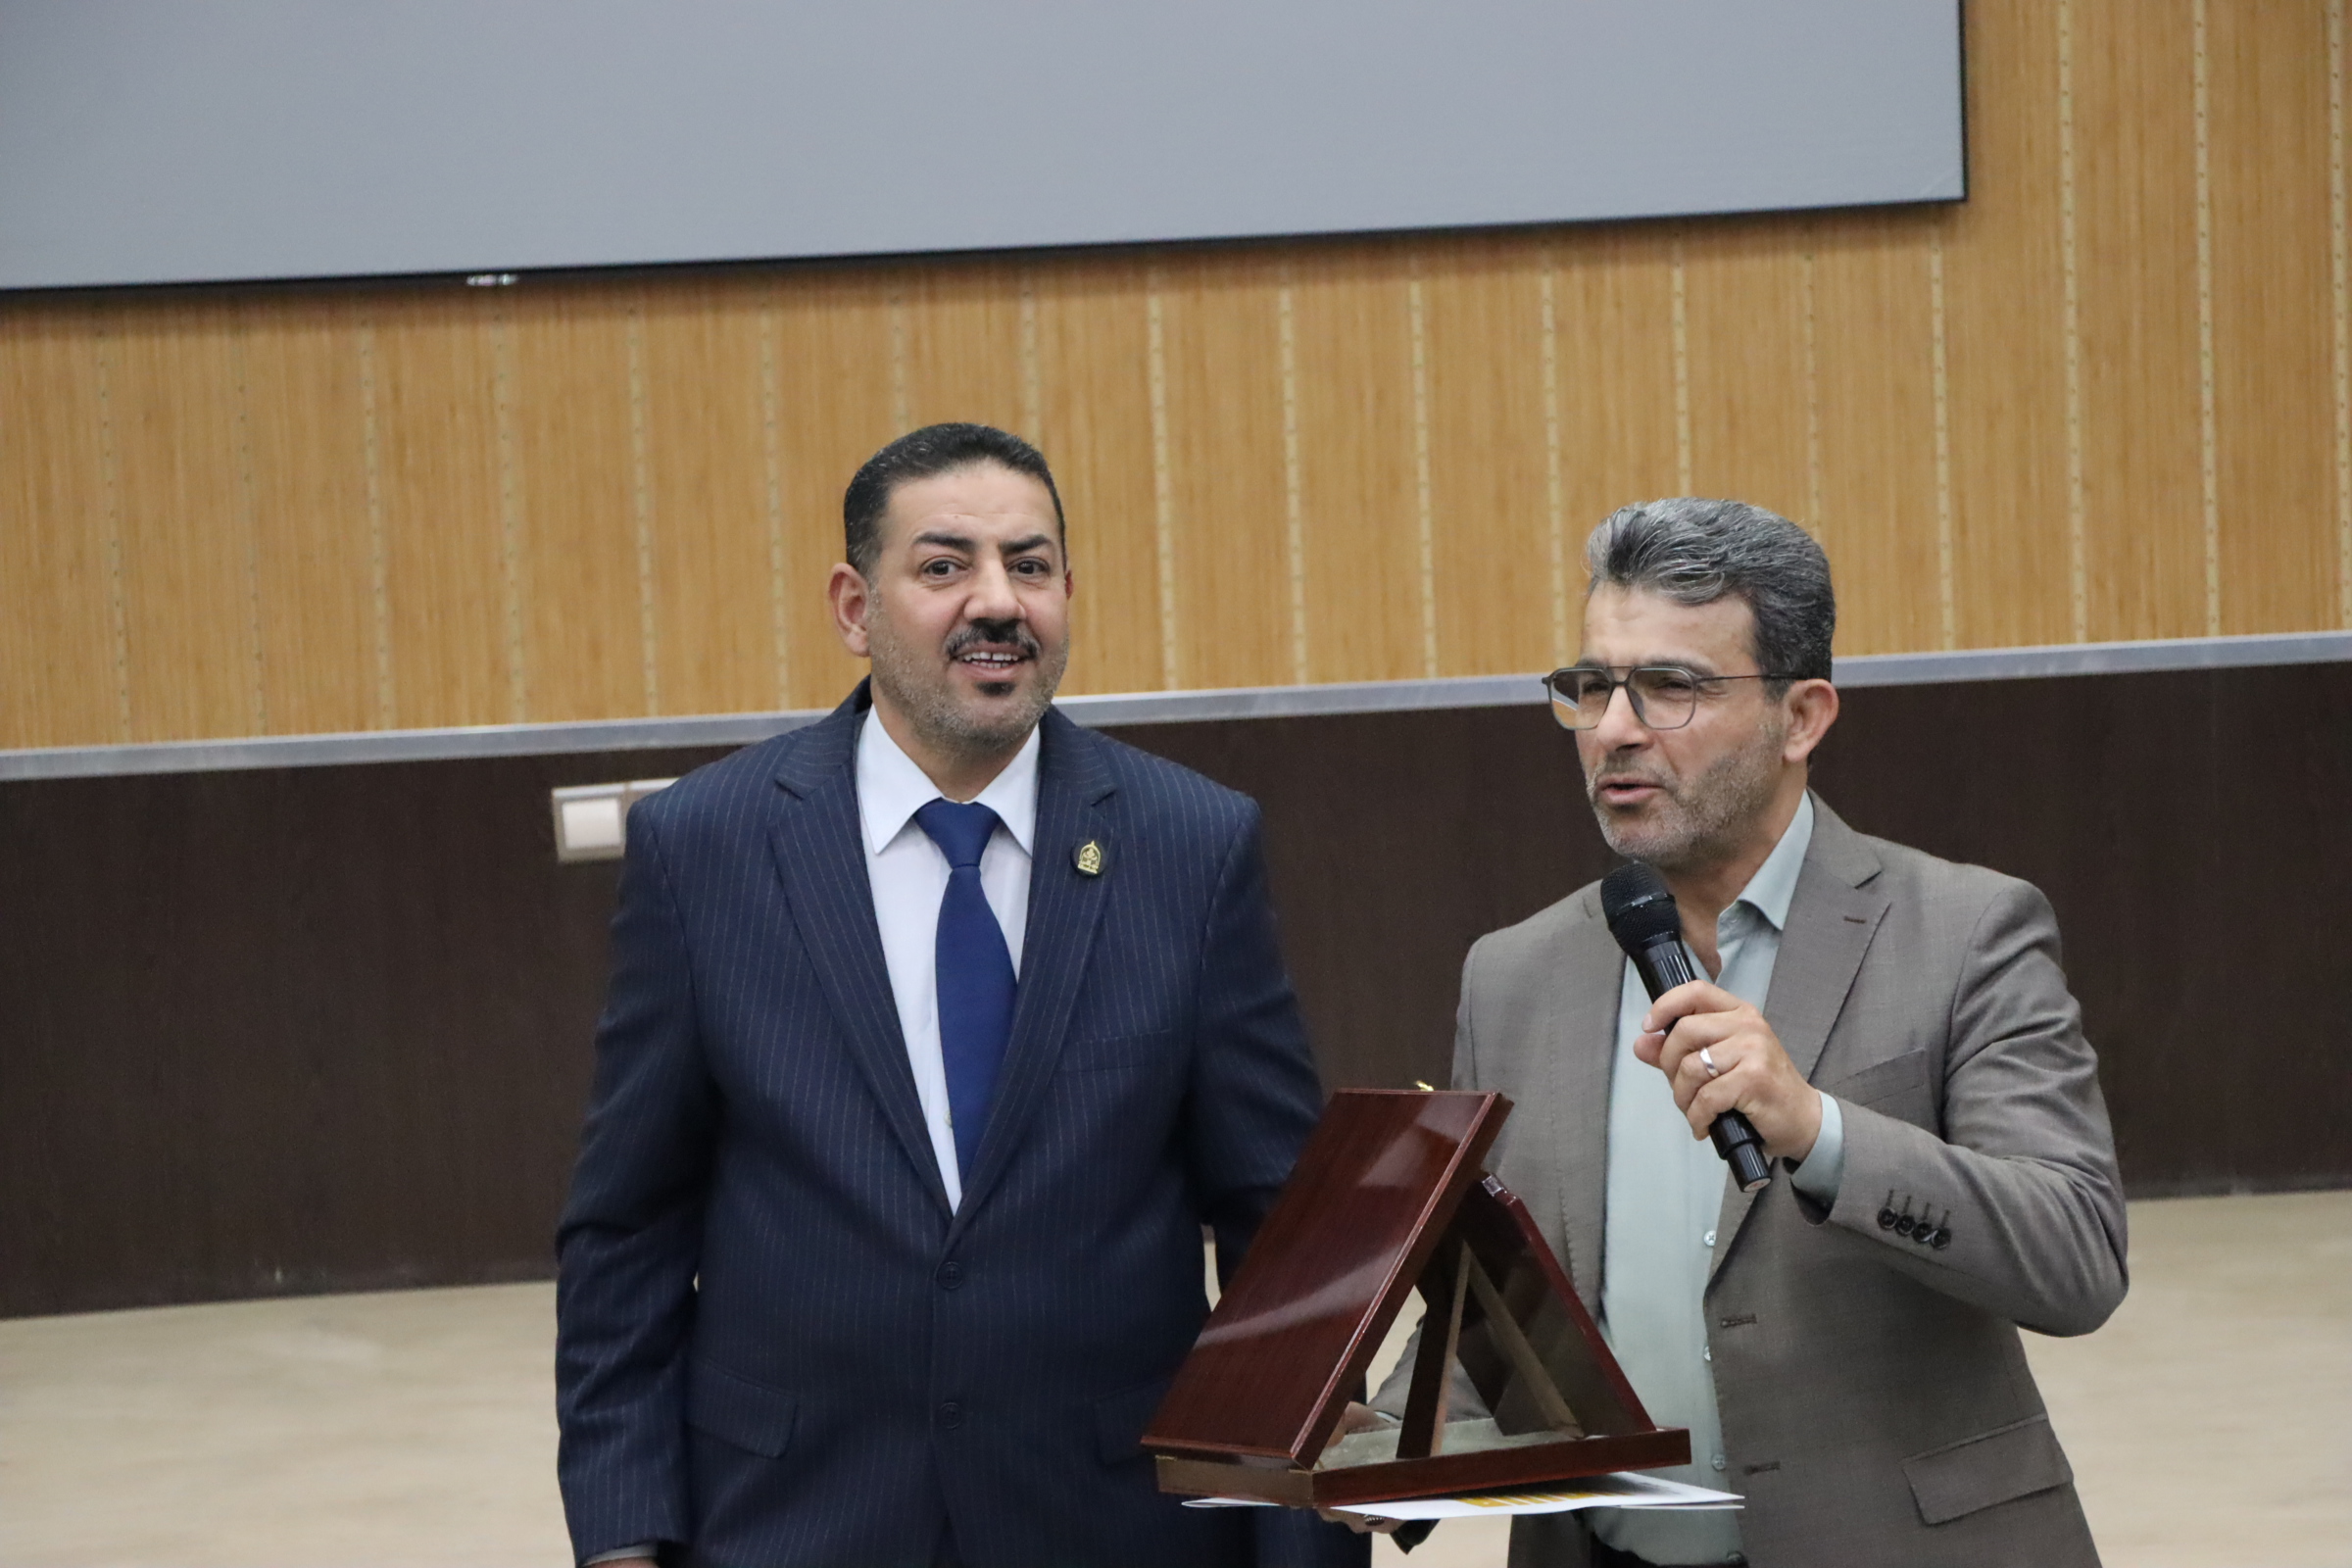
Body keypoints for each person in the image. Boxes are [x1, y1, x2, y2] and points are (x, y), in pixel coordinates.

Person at [554, 423, 1360, 1568]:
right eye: (944, 566)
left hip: (1113, 1524)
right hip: (794, 1520)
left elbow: (1278, 1233)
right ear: (855, 607)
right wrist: (623, 1536)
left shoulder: (1190, 843)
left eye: (1030, 566)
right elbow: (628, 1228)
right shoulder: (708, 848)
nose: (997, 601)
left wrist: (1305, 1548)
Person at [1370, 499, 2128, 1566]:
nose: (1614, 729)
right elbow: (1502, 1315)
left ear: (1801, 716)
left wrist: (1821, 1132)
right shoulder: (1513, 976)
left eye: (1671, 686)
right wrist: (1381, 1447)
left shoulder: (1964, 932)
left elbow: (2075, 1256)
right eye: (1593, 686)